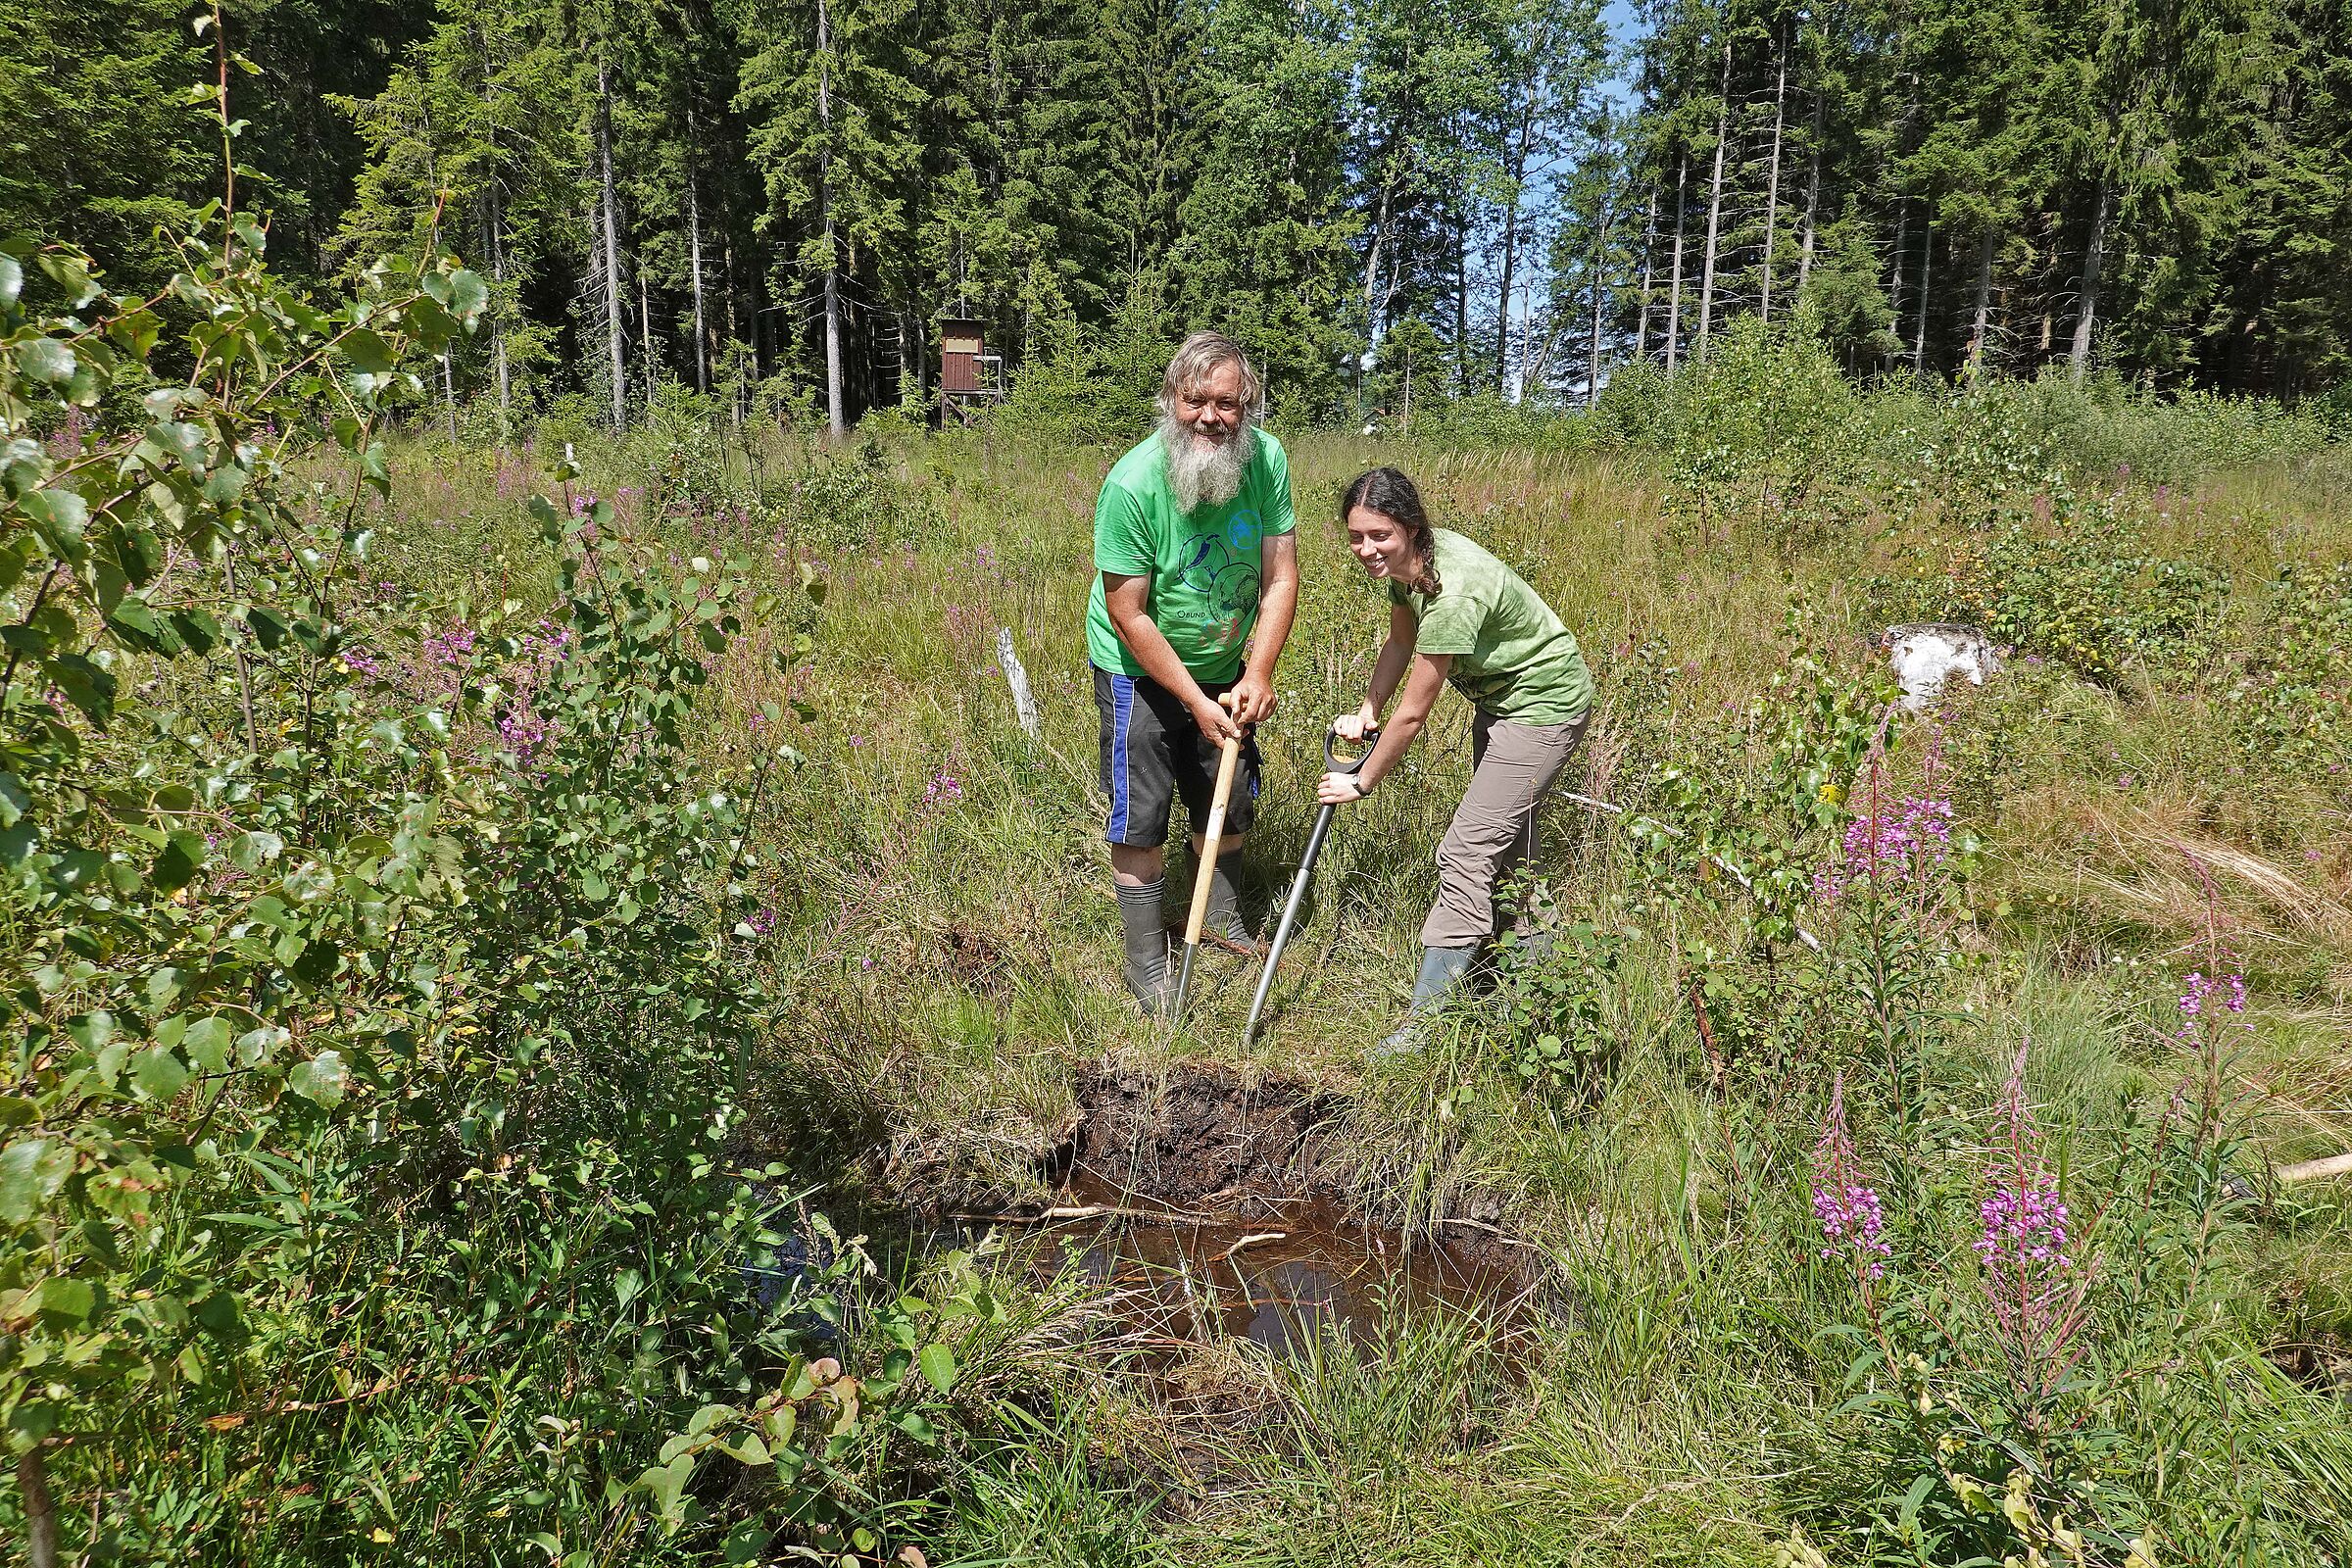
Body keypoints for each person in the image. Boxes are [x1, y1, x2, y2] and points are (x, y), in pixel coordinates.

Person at [1315, 466, 1594, 1042]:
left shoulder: (1452, 592)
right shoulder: (1404, 569)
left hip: (1543, 704)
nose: (1367, 550)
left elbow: (1415, 715)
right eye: (1357, 536)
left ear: (1413, 528)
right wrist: (1369, 705)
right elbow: (1399, 640)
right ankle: (1532, 985)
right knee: (1506, 845)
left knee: (1466, 850)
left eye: (1380, 536)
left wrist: (1361, 781)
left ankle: (1424, 1025)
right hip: (1501, 701)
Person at [1090, 332, 1300, 1014]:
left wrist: (1259, 672)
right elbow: (1130, 616)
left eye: (1228, 403)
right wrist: (1192, 701)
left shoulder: (1266, 462)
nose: (1210, 416)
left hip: (1224, 664)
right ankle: (1148, 965)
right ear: (1170, 400)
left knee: (1229, 792)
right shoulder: (1131, 484)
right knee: (1141, 813)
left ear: (1250, 408)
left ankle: (1222, 920)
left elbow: (1281, 577)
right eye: (1195, 400)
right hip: (1137, 668)